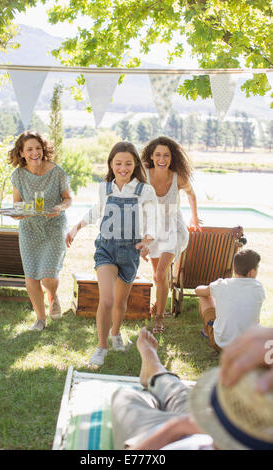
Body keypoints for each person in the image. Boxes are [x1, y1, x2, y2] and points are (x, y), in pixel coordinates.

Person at [66, 141, 158, 367]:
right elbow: (97, 210)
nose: (123, 168)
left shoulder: (144, 190)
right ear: (111, 164)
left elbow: (152, 220)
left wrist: (146, 241)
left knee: (120, 301)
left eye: (128, 163)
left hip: (130, 251)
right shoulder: (105, 187)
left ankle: (115, 333)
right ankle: (101, 347)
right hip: (105, 248)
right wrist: (76, 227)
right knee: (106, 300)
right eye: (118, 163)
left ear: (135, 164)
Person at [111, 327, 273, 450]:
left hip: (184, 432)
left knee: (125, 398)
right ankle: (155, 371)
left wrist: (175, 428)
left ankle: (153, 374)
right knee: (177, 393)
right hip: (213, 423)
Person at [8, 131, 72, 331]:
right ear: (21, 153)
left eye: (38, 148)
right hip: (29, 228)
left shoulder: (57, 171)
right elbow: (17, 204)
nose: (35, 152)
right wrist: (18, 214)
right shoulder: (18, 175)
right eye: (30, 149)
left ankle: (53, 296)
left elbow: (68, 199)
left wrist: (59, 208)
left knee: (48, 277)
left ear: (43, 150)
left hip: (53, 226)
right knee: (31, 278)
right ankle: (40, 319)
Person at [141, 136, 201, 334]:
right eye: (158, 154)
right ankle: (159, 304)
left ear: (171, 157)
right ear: (151, 156)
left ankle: (159, 318)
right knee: (158, 276)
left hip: (174, 230)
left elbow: (192, 195)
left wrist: (194, 218)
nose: (162, 158)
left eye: (166, 155)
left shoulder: (178, 178)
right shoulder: (144, 176)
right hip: (154, 232)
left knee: (160, 274)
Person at [195, 249, 265, 352]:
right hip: (248, 347)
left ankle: (206, 331)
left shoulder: (222, 285)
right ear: (252, 272)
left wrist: (213, 291)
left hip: (221, 345)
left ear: (234, 267)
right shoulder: (259, 288)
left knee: (204, 297)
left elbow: (198, 291)